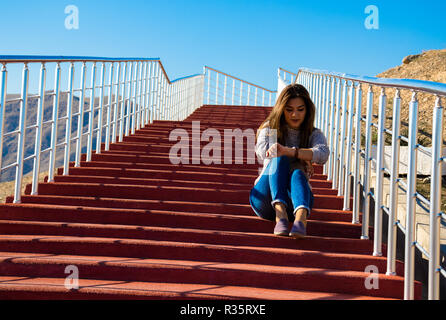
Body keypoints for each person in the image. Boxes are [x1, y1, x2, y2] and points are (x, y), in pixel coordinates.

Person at [249, 84, 329, 239]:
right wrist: (301, 156)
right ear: (281, 109)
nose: (294, 115)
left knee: (298, 172)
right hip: (265, 198)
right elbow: (263, 151)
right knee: (281, 159)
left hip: (297, 202)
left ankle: (301, 218)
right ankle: (280, 212)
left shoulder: (313, 133)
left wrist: (292, 152)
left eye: (300, 109)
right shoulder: (271, 128)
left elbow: (323, 154)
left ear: (307, 110)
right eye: (289, 109)